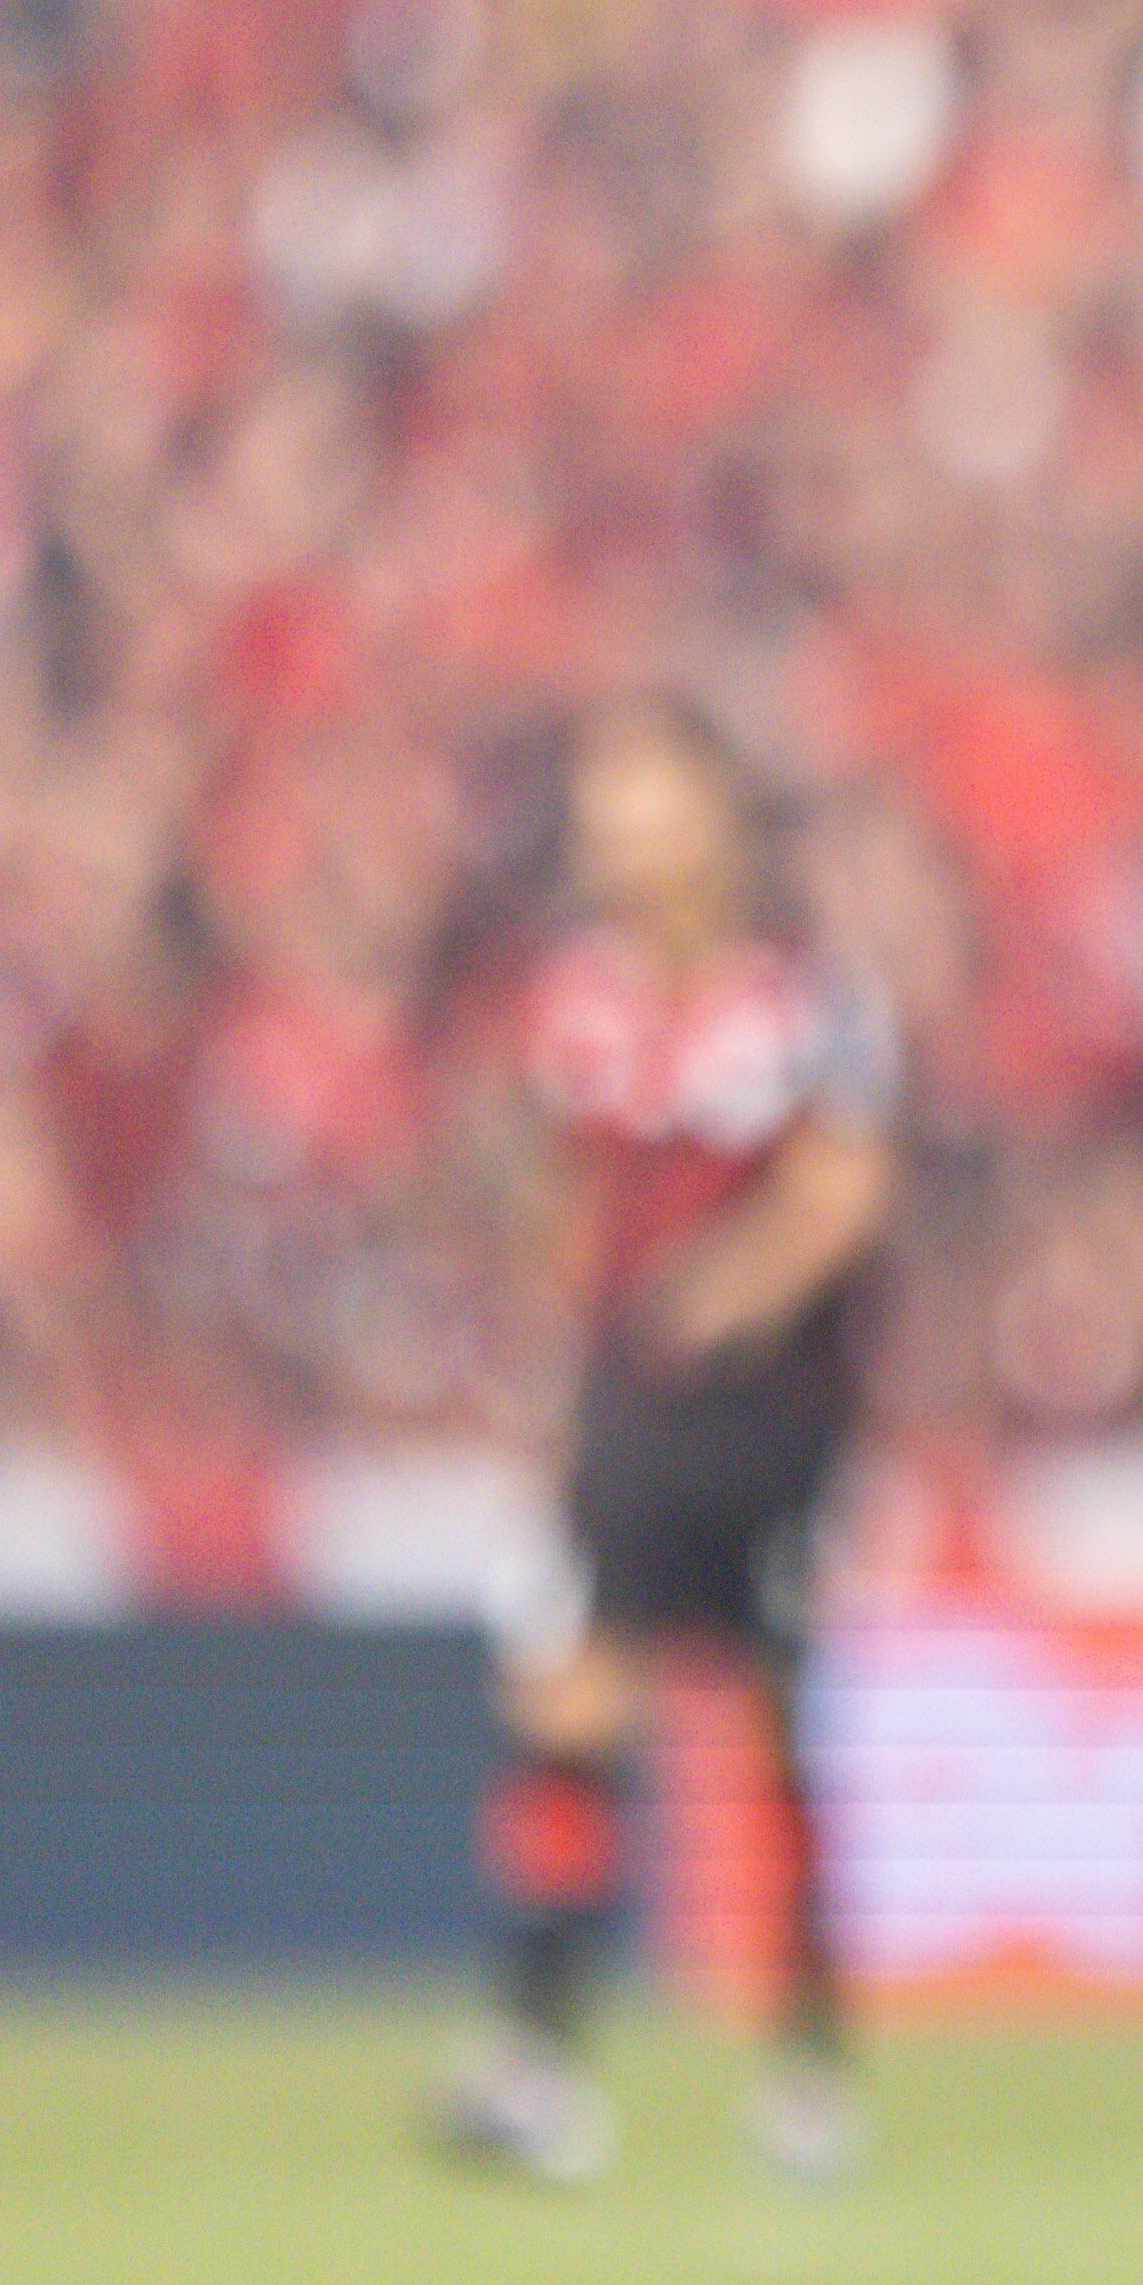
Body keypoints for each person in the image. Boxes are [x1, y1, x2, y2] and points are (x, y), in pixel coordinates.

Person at [442, 695, 899, 2188]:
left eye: (643, 800)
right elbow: (560, 1203)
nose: (615, 835)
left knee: (767, 1717)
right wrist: (551, 1349)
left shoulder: (811, 1004)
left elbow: (843, 1195)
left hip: (768, 1422)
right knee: (566, 1694)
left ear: (716, 818)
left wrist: (731, 1285)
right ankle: (538, 2059)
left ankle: (809, 2067)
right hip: (625, 1409)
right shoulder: (574, 1002)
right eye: (600, 807)